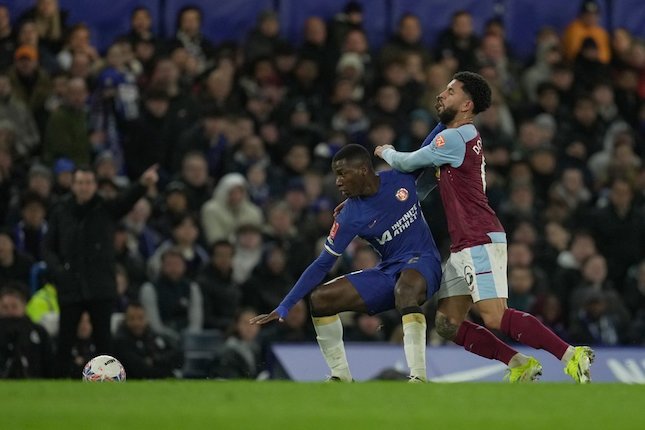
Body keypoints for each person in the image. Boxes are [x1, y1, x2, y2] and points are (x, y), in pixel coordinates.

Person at [374, 71, 594, 383]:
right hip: (465, 241)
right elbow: (421, 188)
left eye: (450, 91)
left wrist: (386, 152)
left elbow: (408, 163)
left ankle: (571, 355)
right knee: (448, 323)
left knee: (494, 315)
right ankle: (519, 362)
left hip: (479, 237)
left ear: (466, 104)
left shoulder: (454, 137)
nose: (442, 94)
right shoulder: (459, 138)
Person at [251, 144, 442, 382]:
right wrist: (285, 305)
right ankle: (341, 377)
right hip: (389, 270)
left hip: (424, 262)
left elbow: (429, 147)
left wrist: (456, 119)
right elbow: (322, 264)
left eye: (342, 174)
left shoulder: (399, 176)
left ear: (363, 170)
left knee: (406, 289)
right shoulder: (350, 216)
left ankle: (419, 377)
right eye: (335, 175)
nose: (337, 182)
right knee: (321, 299)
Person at [43, 164, 158, 377]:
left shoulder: (105, 208)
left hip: (100, 285)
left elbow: (126, 201)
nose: (84, 187)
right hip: (71, 284)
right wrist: (59, 271)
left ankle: (107, 382)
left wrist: (142, 184)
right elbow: (48, 246)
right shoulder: (61, 211)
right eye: (80, 183)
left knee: (103, 340)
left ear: (95, 186)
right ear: (73, 185)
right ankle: (58, 380)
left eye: (88, 183)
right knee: (65, 340)